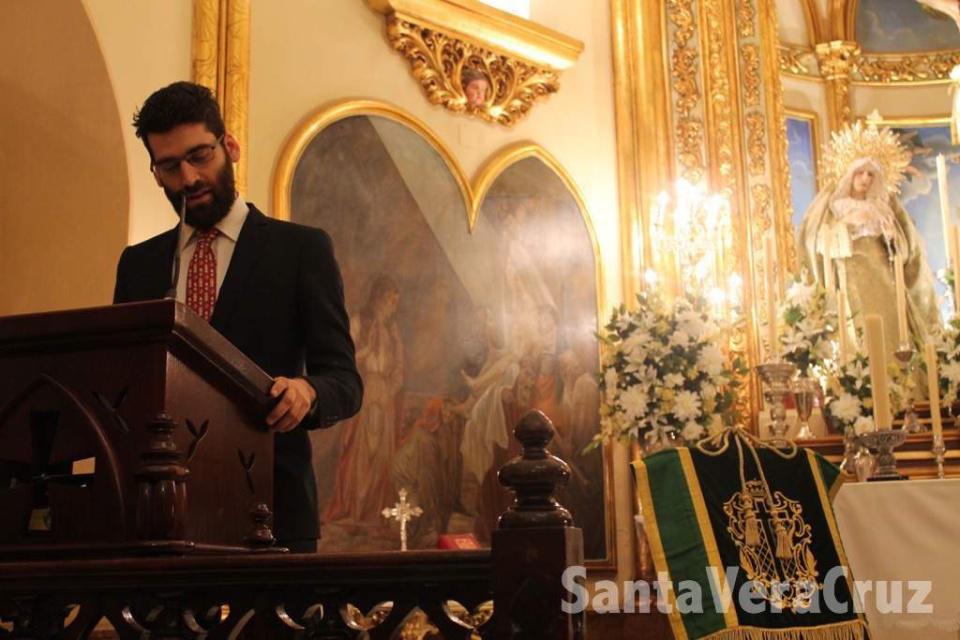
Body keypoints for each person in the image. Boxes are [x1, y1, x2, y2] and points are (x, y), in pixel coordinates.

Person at [113, 81, 363, 552]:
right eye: (170, 166)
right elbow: (120, 383)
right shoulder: (138, 265)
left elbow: (345, 383)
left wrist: (307, 391)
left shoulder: (301, 249)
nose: (188, 178)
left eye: (200, 156)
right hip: (159, 519)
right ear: (155, 173)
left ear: (230, 146)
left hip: (273, 511)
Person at [798, 150, 940, 363]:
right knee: (860, 326)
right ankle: (862, 381)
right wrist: (845, 225)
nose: (865, 178)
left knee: (892, 325)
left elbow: (902, 249)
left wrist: (891, 237)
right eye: (860, 172)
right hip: (853, 278)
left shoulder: (883, 208)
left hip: (884, 277)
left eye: (870, 174)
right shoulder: (836, 207)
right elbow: (819, 243)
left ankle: (901, 379)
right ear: (849, 174)